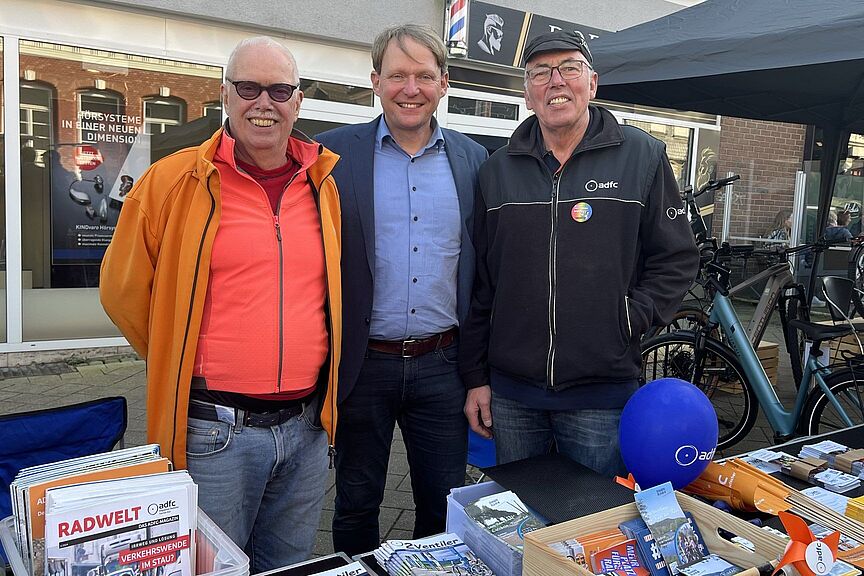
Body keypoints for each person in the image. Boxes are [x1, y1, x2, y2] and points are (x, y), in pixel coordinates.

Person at [99, 36, 342, 572]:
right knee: (216, 568)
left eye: (279, 90)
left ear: (298, 101)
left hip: (306, 429)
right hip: (216, 433)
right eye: (248, 88)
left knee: (288, 565)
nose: (264, 103)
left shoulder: (321, 183)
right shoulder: (174, 179)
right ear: (225, 94)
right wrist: (175, 353)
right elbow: (121, 289)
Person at [459, 30, 699, 476]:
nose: (556, 81)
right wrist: (475, 377)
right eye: (540, 73)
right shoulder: (496, 170)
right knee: (522, 511)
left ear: (592, 82)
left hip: (600, 394)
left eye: (569, 68)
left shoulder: (642, 156)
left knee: (594, 515)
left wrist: (631, 316)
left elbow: (677, 257)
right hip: (513, 395)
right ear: (527, 93)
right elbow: (482, 282)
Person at [316, 24, 487, 557]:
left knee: (442, 503)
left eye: (424, 76)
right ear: (375, 81)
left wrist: (479, 374)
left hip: (443, 366)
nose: (410, 89)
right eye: (397, 75)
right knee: (356, 502)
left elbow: (484, 273)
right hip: (362, 365)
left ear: (444, 84)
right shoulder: (331, 156)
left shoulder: (475, 161)